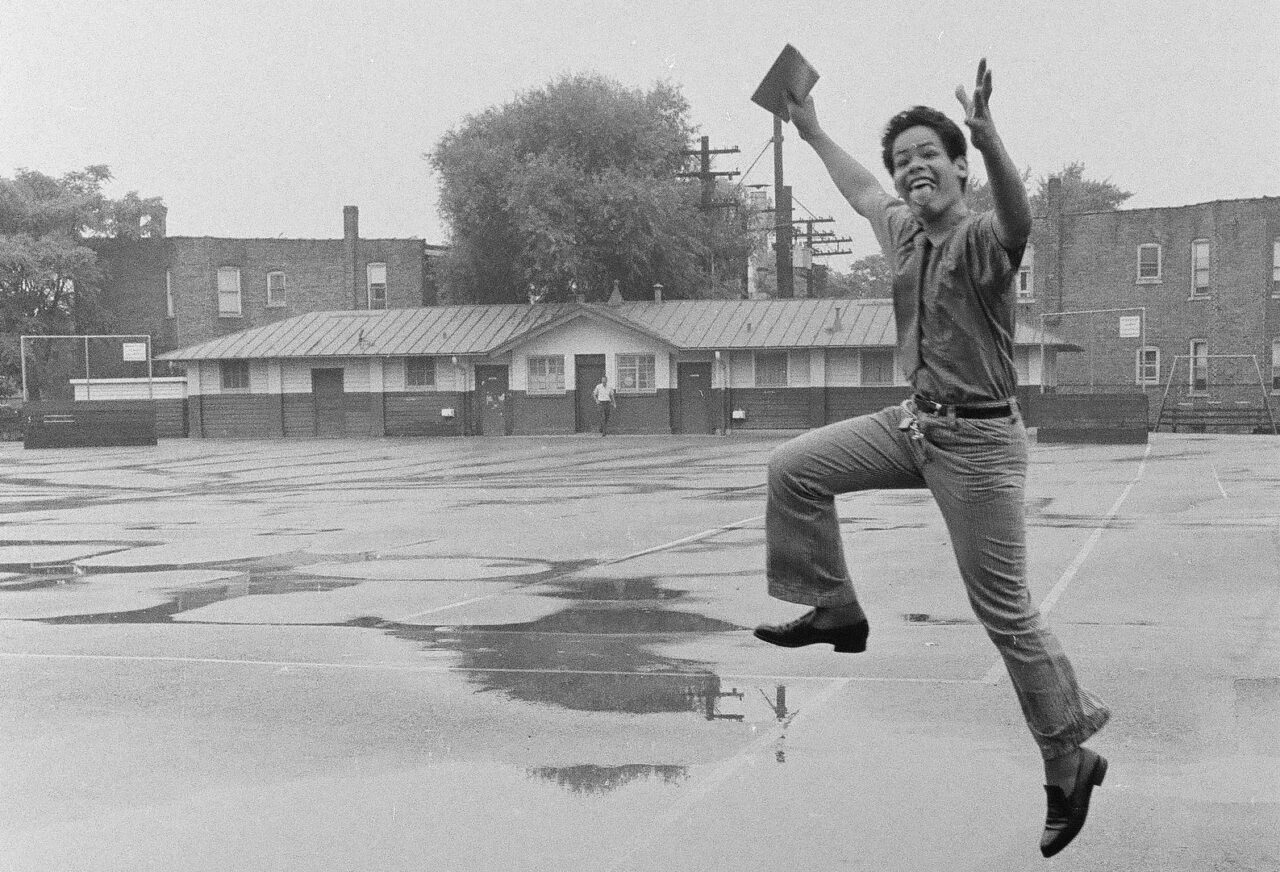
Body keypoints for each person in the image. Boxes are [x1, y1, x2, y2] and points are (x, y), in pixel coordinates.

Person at [752, 60, 1110, 858]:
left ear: (958, 167)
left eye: (929, 154)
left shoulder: (982, 239)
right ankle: (836, 608)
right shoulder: (904, 233)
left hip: (980, 444)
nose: (913, 167)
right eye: (903, 158)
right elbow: (855, 189)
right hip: (917, 423)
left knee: (1006, 614)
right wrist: (810, 130)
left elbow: (1019, 219)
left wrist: (991, 137)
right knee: (794, 467)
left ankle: (1067, 758)